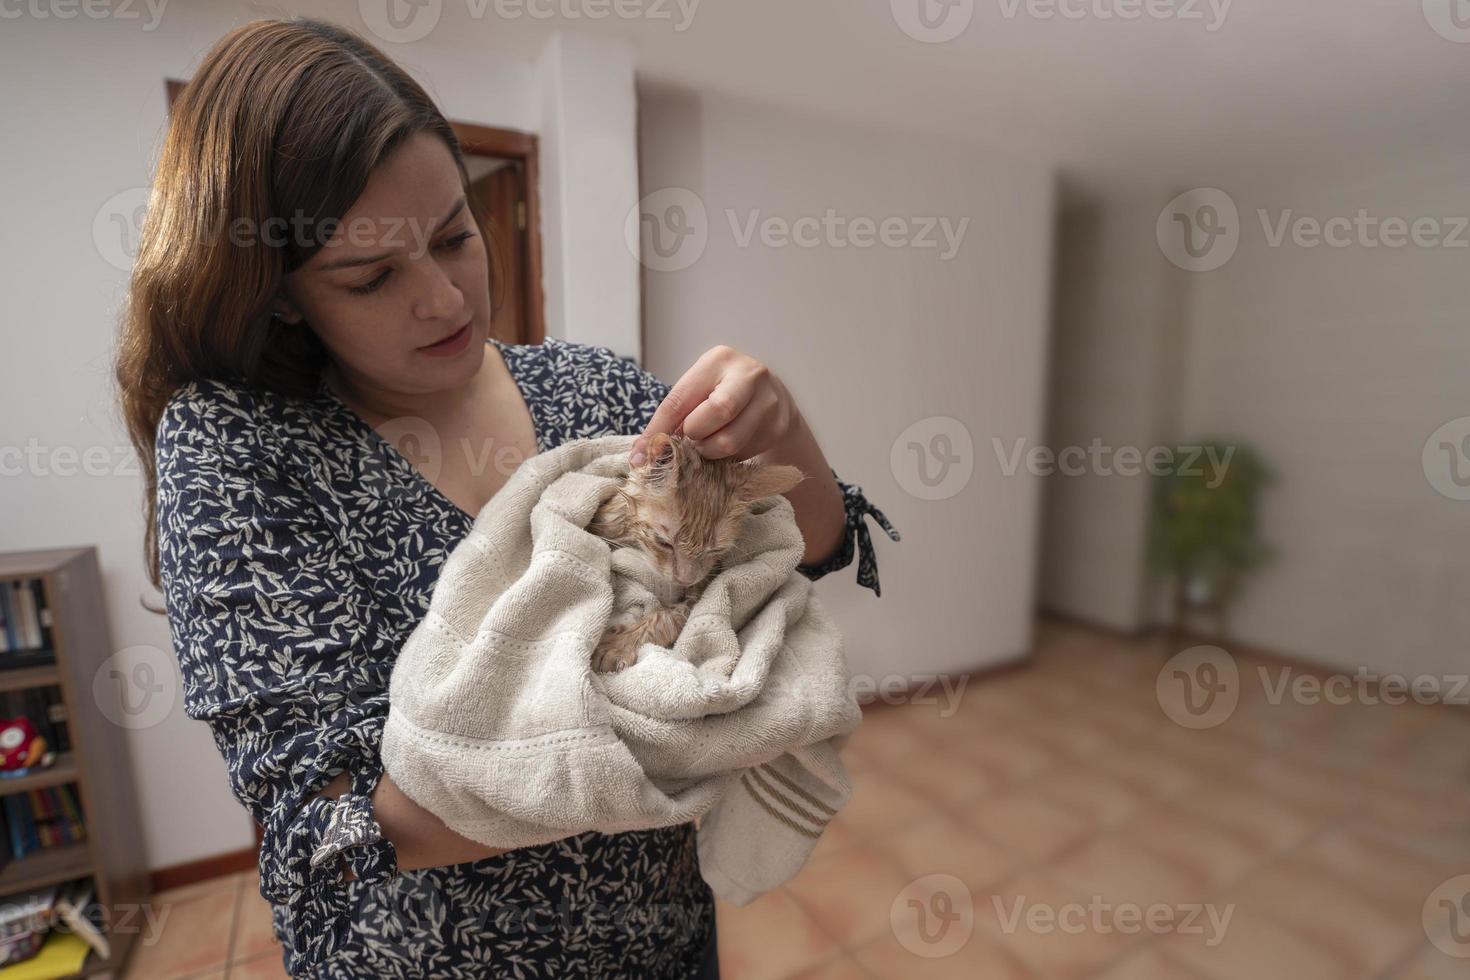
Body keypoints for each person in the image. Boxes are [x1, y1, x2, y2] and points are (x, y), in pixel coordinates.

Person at [114, 16, 899, 980]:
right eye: (371, 277)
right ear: (281, 293)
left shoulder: (592, 391)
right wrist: (693, 732)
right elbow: (338, 818)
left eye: (455, 236)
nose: (444, 299)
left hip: (660, 942)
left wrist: (785, 434)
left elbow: (807, 550)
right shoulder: (244, 449)